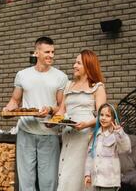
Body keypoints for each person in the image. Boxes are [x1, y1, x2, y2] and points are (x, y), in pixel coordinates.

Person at [3, 36, 68, 191]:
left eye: (53, 52)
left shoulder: (61, 77)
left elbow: (62, 107)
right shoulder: (22, 75)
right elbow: (15, 100)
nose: (51, 55)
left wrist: (51, 111)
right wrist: (7, 109)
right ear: (36, 53)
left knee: (48, 182)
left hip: (49, 133)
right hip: (25, 132)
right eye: (47, 52)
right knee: (26, 182)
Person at [55, 49, 107, 191]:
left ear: (88, 66)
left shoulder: (97, 87)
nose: (74, 65)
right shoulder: (69, 86)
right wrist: (52, 122)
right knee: (65, 173)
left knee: (76, 176)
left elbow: (103, 116)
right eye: (75, 62)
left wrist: (85, 124)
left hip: (85, 138)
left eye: (78, 63)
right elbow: (61, 111)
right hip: (68, 135)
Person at [84, 103, 131, 191]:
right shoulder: (95, 135)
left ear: (114, 119)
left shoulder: (116, 135)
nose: (103, 118)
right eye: (101, 115)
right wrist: (87, 174)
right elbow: (90, 155)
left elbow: (126, 148)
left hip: (110, 182)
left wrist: (120, 133)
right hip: (96, 180)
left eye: (108, 116)